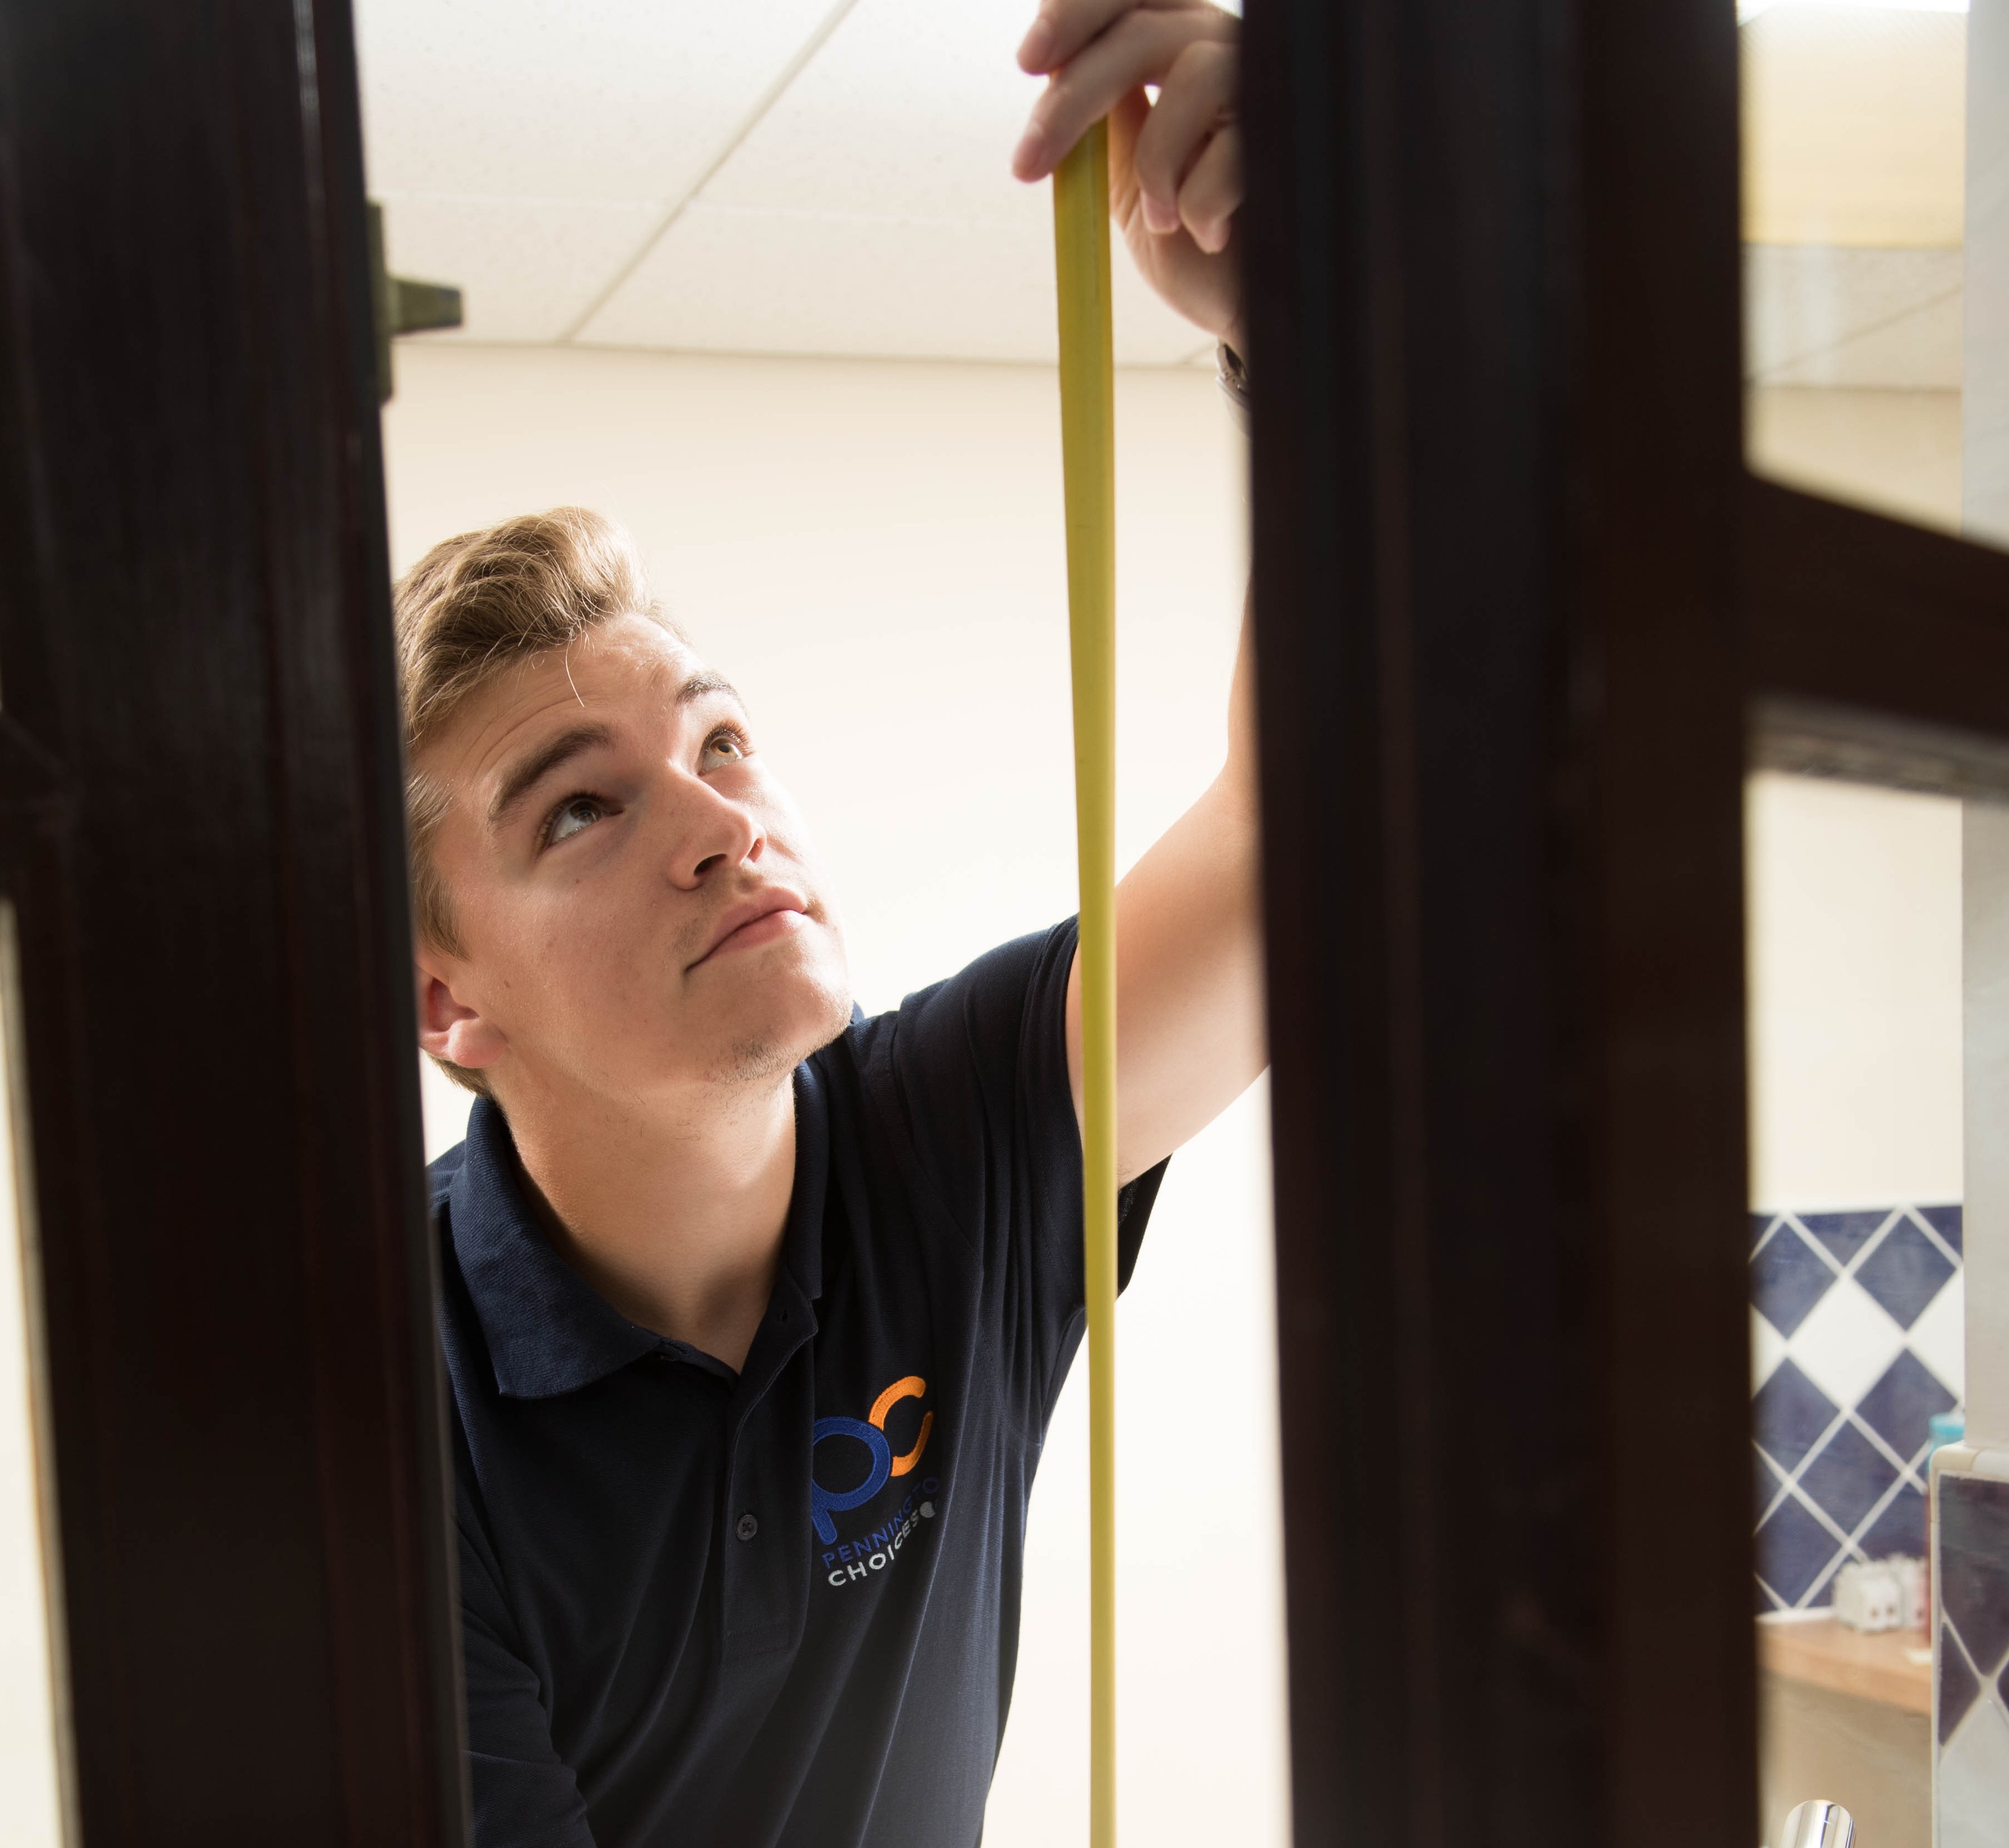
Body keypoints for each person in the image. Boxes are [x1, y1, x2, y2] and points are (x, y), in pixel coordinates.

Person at [403, 3, 1256, 1842]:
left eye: (719, 741)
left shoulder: (948, 1139)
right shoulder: (382, 1408)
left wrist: (1303, 327)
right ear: (441, 997)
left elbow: (1301, 844)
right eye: (581, 805)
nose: (721, 823)